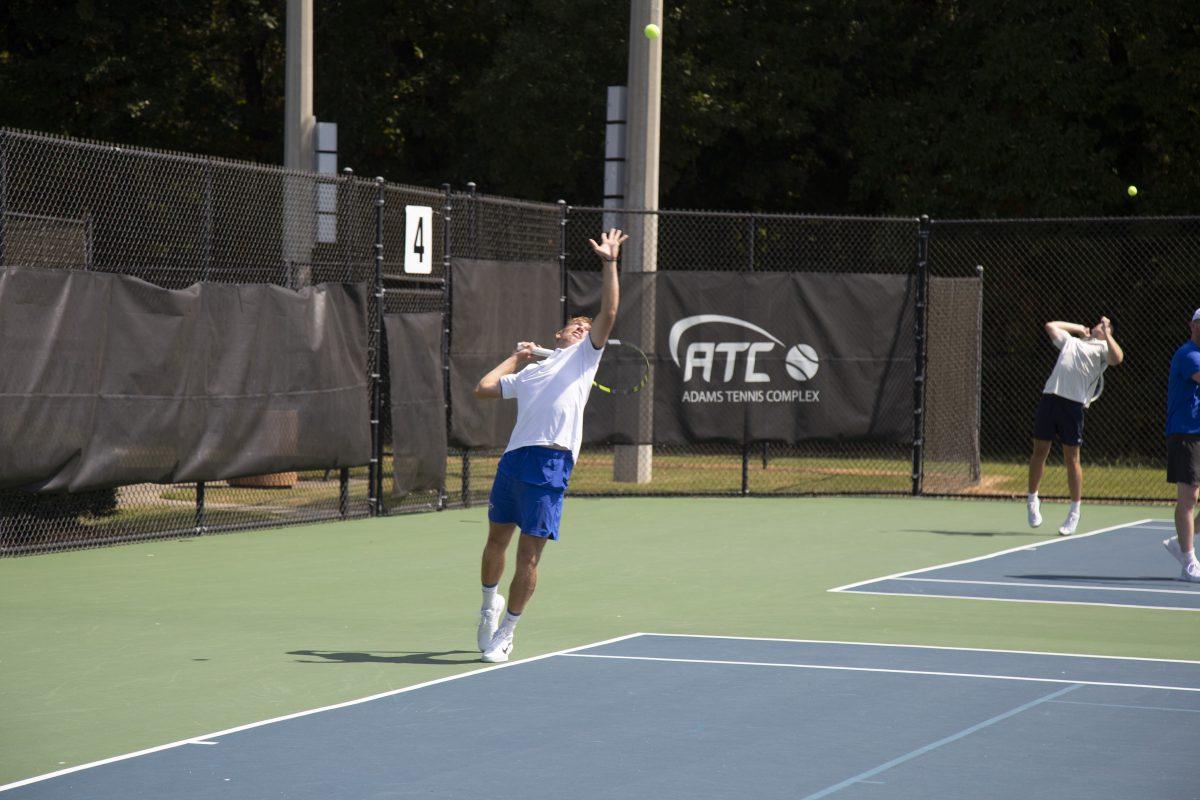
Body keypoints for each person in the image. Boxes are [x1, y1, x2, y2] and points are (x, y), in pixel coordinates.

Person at [470, 228, 628, 663]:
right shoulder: (531, 372)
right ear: (560, 334)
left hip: (551, 463)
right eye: (575, 325)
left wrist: (609, 262)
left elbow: (610, 310)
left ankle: (508, 631)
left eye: (586, 327)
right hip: (513, 461)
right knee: (495, 543)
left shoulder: (584, 358)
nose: (583, 328)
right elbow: (483, 388)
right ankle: (488, 608)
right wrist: (519, 357)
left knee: (529, 557)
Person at [1027, 317, 1124, 535]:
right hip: (1050, 398)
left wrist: (1107, 333)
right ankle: (1032, 500)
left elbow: (1118, 358)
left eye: (1104, 325)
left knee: (1072, 459)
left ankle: (1074, 512)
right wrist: (1079, 328)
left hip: (1073, 407)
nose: (1099, 325)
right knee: (1039, 451)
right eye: (1099, 324)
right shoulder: (1071, 342)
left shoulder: (1102, 350)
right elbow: (1050, 325)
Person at [1162, 308, 1200, 582]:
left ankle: (1180, 542)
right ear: (1192, 326)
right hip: (1185, 434)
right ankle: (1189, 561)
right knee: (1188, 498)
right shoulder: (1189, 355)